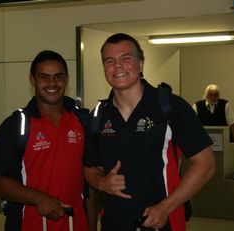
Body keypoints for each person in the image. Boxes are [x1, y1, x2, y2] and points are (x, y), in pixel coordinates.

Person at [83, 33, 216, 231]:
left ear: (141, 64)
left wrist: (165, 207)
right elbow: (89, 168)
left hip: (163, 222)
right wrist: (101, 183)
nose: (117, 66)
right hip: (113, 222)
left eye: (126, 58)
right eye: (109, 61)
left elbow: (206, 164)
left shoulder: (170, 107)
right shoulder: (98, 116)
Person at [0, 50, 94, 231]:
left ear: (66, 80)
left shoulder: (82, 120)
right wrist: (38, 198)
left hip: (76, 224)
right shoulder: (16, 125)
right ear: (32, 80)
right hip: (30, 225)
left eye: (58, 77)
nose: (52, 83)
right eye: (44, 77)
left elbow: (88, 185)